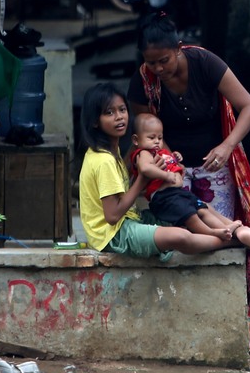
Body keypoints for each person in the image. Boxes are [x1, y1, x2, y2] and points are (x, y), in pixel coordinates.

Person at [126, 12, 250, 353]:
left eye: (164, 60)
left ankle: (236, 321)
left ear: (179, 49)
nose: (159, 70)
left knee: (220, 241)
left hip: (216, 168)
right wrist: (169, 164)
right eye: (151, 63)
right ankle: (193, 321)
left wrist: (227, 147)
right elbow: (144, 133)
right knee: (188, 242)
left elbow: (249, 107)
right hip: (172, 175)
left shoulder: (205, 62)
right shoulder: (143, 80)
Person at [78, 82, 230, 260]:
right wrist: (143, 178)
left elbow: (123, 196)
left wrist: (158, 176)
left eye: (122, 110)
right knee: (180, 236)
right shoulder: (103, 160)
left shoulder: (112, 152)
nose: (119, 117)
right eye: (109, 113)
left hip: (128, 220)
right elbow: (112, 216)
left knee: (187, 212)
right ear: (95, 121)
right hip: (112, 235)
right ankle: (233, 241)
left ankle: (234, 231)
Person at [128, 112, 250, 256]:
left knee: (202, 208)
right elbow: (146, 168)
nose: (156, 142)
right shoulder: (142, 153)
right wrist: (167, 175)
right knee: (191, 217)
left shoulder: (159, 152)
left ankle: (229, 229)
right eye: (151, 138)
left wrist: (174, 158)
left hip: (178, 194)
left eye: (160, 138)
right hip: (164, 198)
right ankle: (215, 233)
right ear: (136, 140)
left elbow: (170, 163)